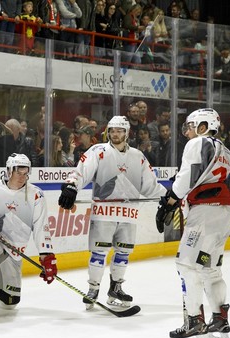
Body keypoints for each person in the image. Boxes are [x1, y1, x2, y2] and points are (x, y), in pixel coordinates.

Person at [58, 115, 166, 310]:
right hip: (104, 211)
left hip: (129, 212)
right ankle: (93, 288)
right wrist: (71, 187)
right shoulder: (98, 151)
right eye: (112, 131)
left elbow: (150, 186)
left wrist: (169, 197)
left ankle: (116, 287)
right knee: (99, 252)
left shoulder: (138, 156)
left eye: (119, 131)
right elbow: (81, 171)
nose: (115, 134)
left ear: (127, 133)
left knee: (123, 252)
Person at [155, 108, 230, 338]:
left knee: (187, 265)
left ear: (202, 126)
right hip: (224, 213)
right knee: (210, 269)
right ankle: (220, 321)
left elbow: (188, 176)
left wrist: (170, 200)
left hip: (205, 213)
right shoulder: (227, 151)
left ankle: (195, 324)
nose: (187, 132)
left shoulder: (198, 142)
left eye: (190, 126)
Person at [0, 153, 57, 319]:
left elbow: (40, 227)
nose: (22, 177)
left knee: (9, 302)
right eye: (18, 172)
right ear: (9, 171)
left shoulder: (36, 194)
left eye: (25, 173)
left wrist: (47, 256)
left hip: (14, 251)